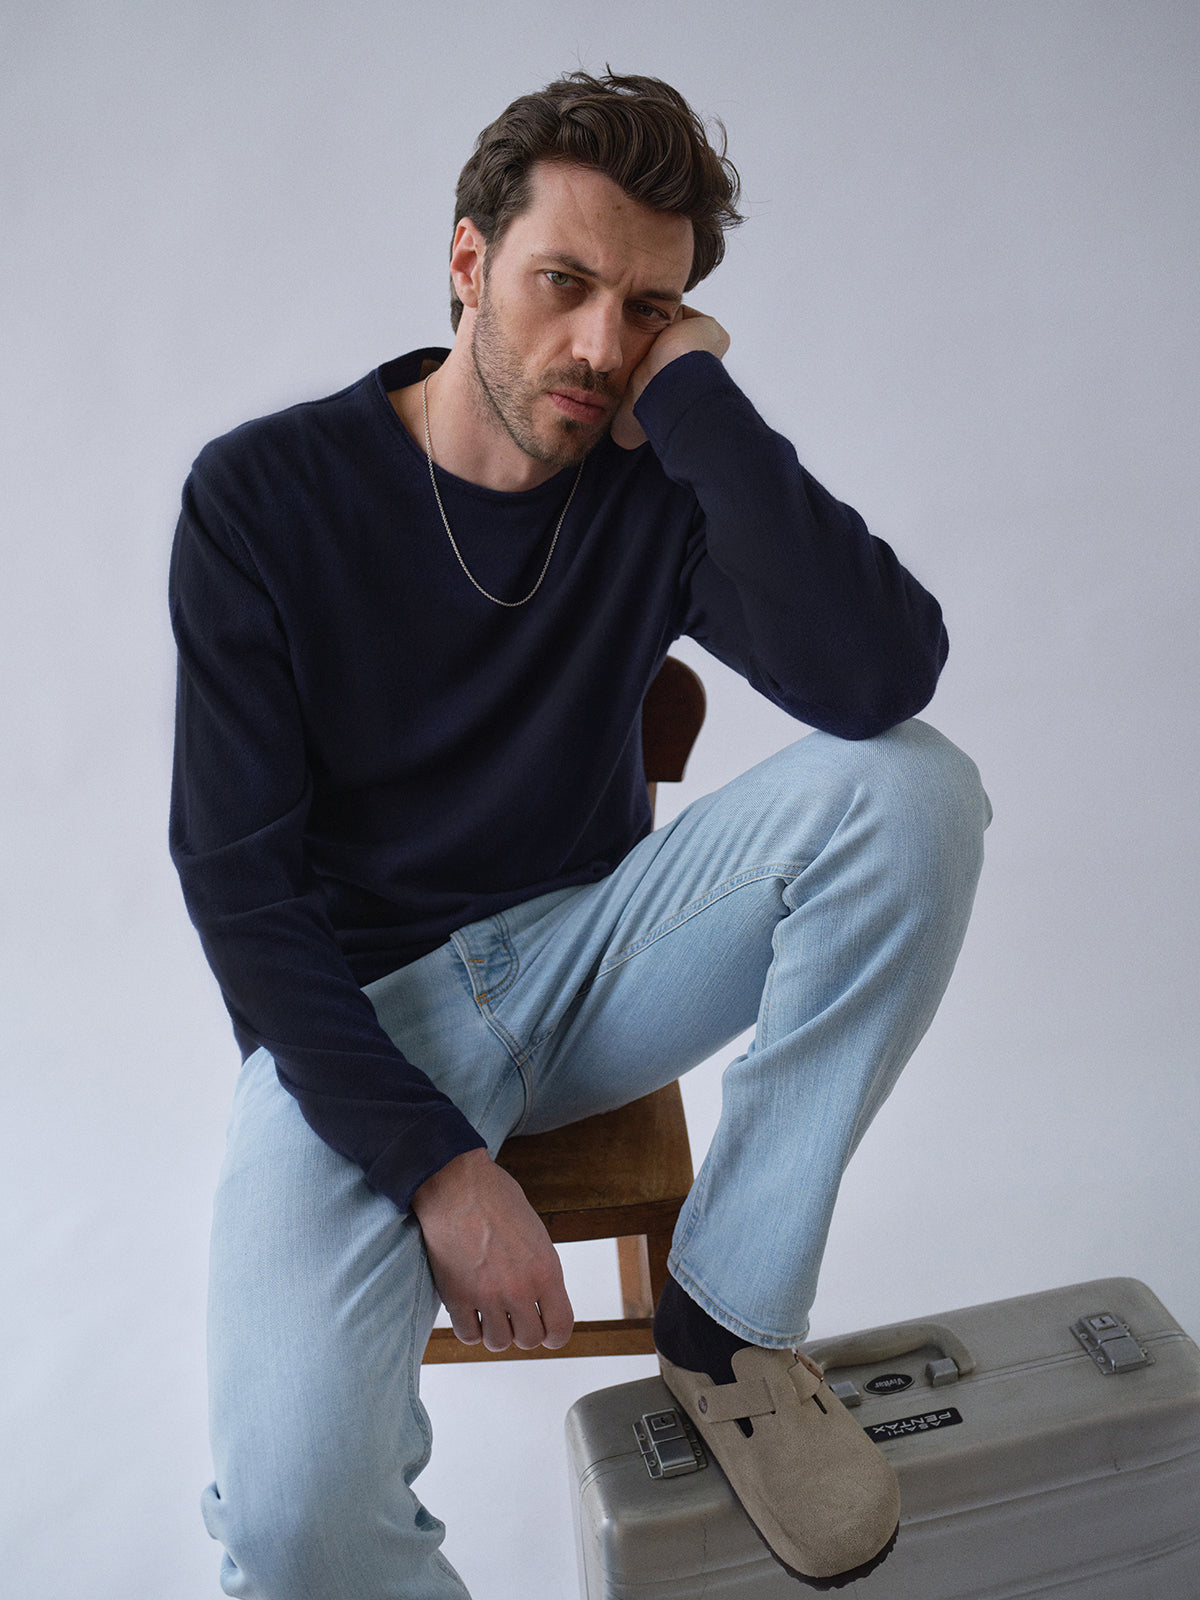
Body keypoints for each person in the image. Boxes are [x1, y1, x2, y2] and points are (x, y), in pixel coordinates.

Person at [170, 70, 989, 1598]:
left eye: (649, 309)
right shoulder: (262, 498)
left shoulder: (649, 476)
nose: (600, 346)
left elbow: (881, 679)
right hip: (355, 1023)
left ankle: (730, 1324)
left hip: (591, 963)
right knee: (290, 1530)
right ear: (469, 261)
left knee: (917, 793)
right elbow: (239, 895)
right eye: (565, 284)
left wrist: (695, 402)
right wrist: (439, 1171)